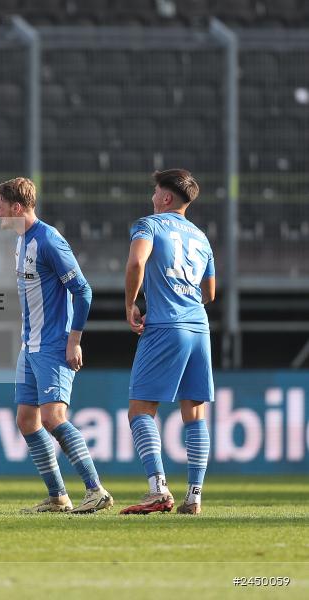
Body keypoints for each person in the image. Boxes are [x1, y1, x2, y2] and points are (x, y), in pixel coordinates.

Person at [0, 177, 113, 513]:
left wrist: (74, 340)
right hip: (29, 345)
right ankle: (58, 497)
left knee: (53, 417)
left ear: (17, 207)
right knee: (26, 420)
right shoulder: (22, 241)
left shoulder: (48, 240)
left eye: (0, 207)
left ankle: (96, 490)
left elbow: (83, 291)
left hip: (53, 344)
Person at [121, 169, 215, 516]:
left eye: (155, 192)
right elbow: (210, 292)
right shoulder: (202, 238)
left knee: (141, 409)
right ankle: (194, 496)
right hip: (199, 328)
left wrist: (131, 303)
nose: (152, 198)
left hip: (165, 326)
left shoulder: (149, 225)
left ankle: (158, 489)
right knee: (195, 413)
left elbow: (136, 261)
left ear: (165, 197)